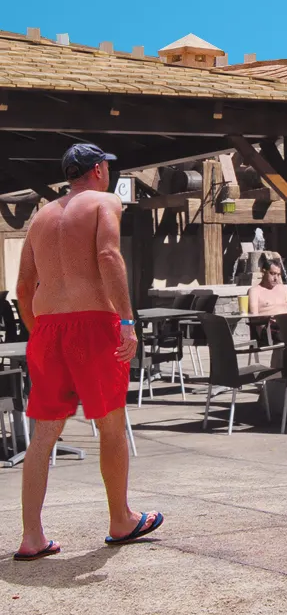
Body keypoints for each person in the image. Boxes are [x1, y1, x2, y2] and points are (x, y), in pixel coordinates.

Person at [14, 144, 163, 561]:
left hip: (47, 329)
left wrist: (40, 332)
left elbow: (24, 288)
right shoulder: (105, 201)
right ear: (99, 169)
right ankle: (121, 520)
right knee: (111, 425)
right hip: (94, 324)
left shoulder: (40, 216)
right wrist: (128, 321)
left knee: (44, 435)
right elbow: (107, 255)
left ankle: (32, 537)